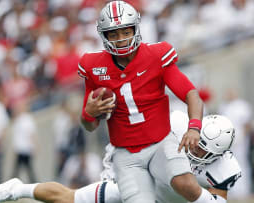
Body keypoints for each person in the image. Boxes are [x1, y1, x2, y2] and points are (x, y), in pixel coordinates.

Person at [78, 1, 204, 203]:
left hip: (161, 143)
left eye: (126, 32)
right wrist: (88, 113)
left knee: (186, 184)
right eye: (113, 34)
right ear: (104, 36)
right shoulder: (93, 66)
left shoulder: (156, 55)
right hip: (125, 156)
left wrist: (194, 128)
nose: (121, 39)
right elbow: (89, 126)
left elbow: (191, 95)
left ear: (136, 29)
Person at [0, 111, 241, 203]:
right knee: (70, 198)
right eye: (195, 141)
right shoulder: (173, 124)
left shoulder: (225, 168)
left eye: (202, 149)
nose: (194, 148)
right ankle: (15, 189)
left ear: (219, 153)